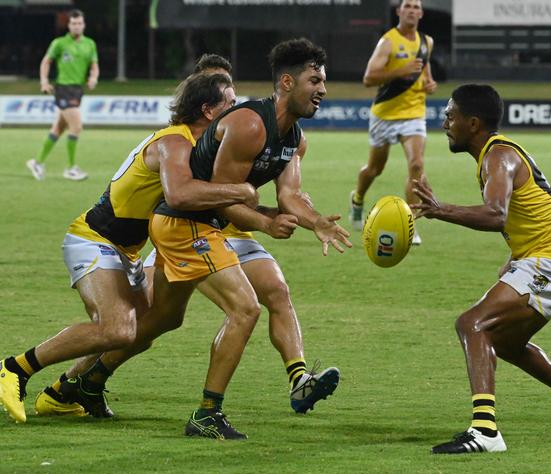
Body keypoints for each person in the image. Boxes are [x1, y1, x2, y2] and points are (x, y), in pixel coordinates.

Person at [60, 38, 351, 440]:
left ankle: (83, 382)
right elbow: (224, 197)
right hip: (187, 223)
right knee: (242, 310)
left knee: (171, 316)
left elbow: (290, 196)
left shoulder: (294, 138)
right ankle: (205, 413)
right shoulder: (249, 125)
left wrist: (315, 221)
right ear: (287, 82)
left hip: (216, 223)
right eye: (315, 80)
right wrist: (266, 223)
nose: (323, 89)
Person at [0, 72, 257, 423]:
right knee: (118, 329)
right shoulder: (175, 142)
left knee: (147, 325)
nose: (236, 107)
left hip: (127, 250)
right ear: (208, 110)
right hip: (95, 239)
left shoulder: (196, 146)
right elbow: (180, 195)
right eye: (230, 101)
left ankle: (63, 393)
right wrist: (241, 192)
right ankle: (14, 369)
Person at [411, 84, 551, 454]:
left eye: (450, 115)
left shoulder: (498, 156)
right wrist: (514, 260)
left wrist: (440, 209)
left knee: (471, 324)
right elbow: (531, 212)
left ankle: (485, 431)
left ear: (473, 123)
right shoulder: (498, 155)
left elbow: (495, 215)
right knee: (505, 342)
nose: (444, 122)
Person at [349, 0, 437, 245]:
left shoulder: (426, 42)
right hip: (385, 115)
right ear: (399, 11)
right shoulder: (387, 41)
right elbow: (369, 78)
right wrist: (400, 71)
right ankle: (357, 199)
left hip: (414, 114)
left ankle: (410, 225)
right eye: (407, 5)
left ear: (421, 13)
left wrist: (430, 84)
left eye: (416, 6)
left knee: (417, 165)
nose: (411, 10)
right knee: (375, 169)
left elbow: (425, 74)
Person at [26, 9, 99, 182]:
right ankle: (71, 168)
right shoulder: (59, 43)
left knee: (58, 129)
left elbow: (94, 64)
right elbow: (46, 61)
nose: (77, 26)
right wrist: (44, 81)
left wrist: (93, 77)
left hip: (77, 89)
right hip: (63, 89)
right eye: (73, 23)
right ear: (69, 25)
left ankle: (37, 163)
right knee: (77, 126)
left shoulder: (90, 44)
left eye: (79, 23)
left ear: (84, 25)